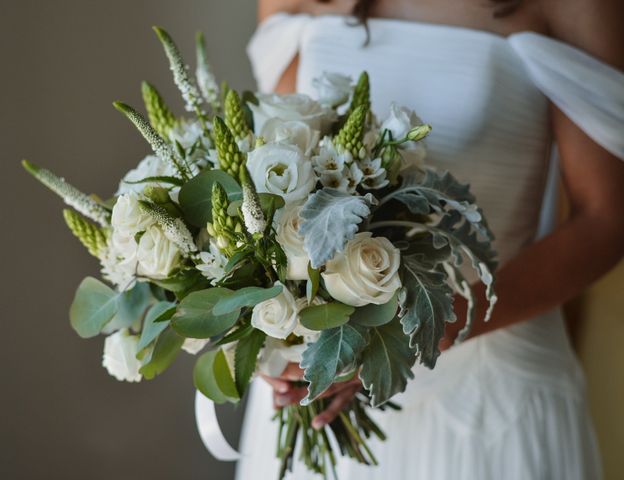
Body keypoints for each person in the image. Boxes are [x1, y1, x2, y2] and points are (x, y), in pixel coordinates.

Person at [237, 1, 624, 478]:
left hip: (490, 391)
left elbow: (606, 219)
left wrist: (439, 324)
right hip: (323, 385)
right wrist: (277, 324)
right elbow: (274, 169)